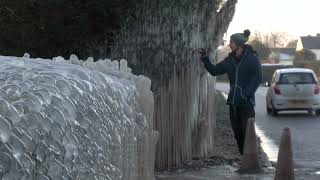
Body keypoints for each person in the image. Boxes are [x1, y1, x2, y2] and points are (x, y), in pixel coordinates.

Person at [198, 29, 262, 155]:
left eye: (231, 42)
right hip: (233, 103)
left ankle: (252, 160)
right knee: (237, 133)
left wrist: (246, 93)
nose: (229, 45)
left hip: (247, 103)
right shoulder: (229, 61)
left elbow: (257, 77)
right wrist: (205, 57)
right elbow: (214, 70)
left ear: (238, 44)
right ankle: (244, 159)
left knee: (248, 132)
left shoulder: (252, 58)